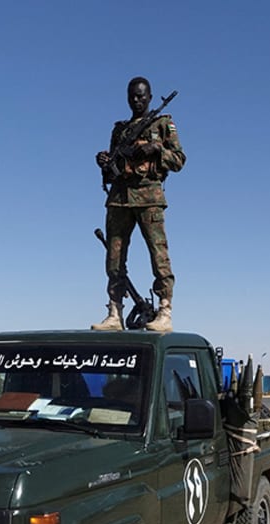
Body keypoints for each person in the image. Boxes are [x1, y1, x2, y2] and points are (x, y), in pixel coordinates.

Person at [93, 76, 185, 333]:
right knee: (114, 259)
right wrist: (105, 162)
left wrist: (156, 149)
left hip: (149, 198)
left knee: (159, 256)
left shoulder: (163, 124)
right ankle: (114, 312)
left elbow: (178, 160)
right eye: (132, 96)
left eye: (141, 96)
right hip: (119, 200)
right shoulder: (120, 130)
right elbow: (113, 167)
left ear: (150, 97)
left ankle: (165, 310)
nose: (136, 100)